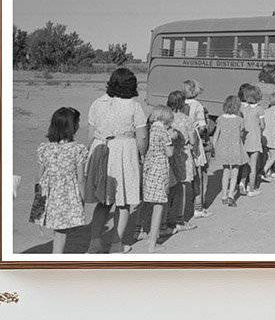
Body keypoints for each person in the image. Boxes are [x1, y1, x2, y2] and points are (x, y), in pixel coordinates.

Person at [86, 68, 148, 253]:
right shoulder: (134, 106)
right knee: (123, 200)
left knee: (103, 201)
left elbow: (90, 133)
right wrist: (142, 154)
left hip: (100, 148)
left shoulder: (97, 103)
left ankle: (94, 242)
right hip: (123, 151)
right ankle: (116, 243)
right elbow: (142, 137)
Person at [36, 106, 88, 254]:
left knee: (57, 231)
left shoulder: (44, 148)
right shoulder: (77, 149)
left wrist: (37, 206)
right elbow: (80, 180)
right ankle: (56, 260)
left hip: (48, 195)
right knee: (61, 232)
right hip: (66, 197)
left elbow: (38, 178)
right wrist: (82, 199)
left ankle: (55, 257)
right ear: (73, 127)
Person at [139, 105, 176, 252]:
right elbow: (169, 153)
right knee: (159, 205)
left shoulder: (150, 128)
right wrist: (172, 138)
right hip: (160, 168)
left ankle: (147, 234)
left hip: (149, 167)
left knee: (148, 202)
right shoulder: (163, 131)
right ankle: (153, 243)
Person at [167, 90, 199, 230]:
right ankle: (179, 218)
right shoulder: (186, 119)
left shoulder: (166, 118)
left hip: (169, 154)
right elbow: (192, 139)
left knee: (169, 187)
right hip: (183, 154)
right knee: (183, 187)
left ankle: (166, 216)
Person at [183, 79, 210, 218]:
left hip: (182, 141)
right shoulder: (198, 105)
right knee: (198, 174)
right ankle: (198, 207)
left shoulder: (180, 103)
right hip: (194, 140)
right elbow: (202, 126)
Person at [213, 95, 245, 205]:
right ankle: (231, 195)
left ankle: (223, 195)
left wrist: (214, 146)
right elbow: (241, 134)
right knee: (235, 172)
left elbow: (216, 134)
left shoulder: (220, 119)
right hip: (236, 148)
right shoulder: (240, 120)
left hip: (224, 148)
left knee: (225, 172)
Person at [240, 84, 264, 196]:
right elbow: (263, 125)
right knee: (253, 166)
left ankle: (242, 183)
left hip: (245, 140)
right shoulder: (260, 109)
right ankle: (251, 188)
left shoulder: (243, 109)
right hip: (255, 139)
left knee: (245, 164)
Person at [260, 89, 275, 178]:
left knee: (267, 155)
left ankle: (266, 171)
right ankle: (263, 171)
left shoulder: (265, 111)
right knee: (273, 156)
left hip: (265, 136)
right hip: (273, 137)